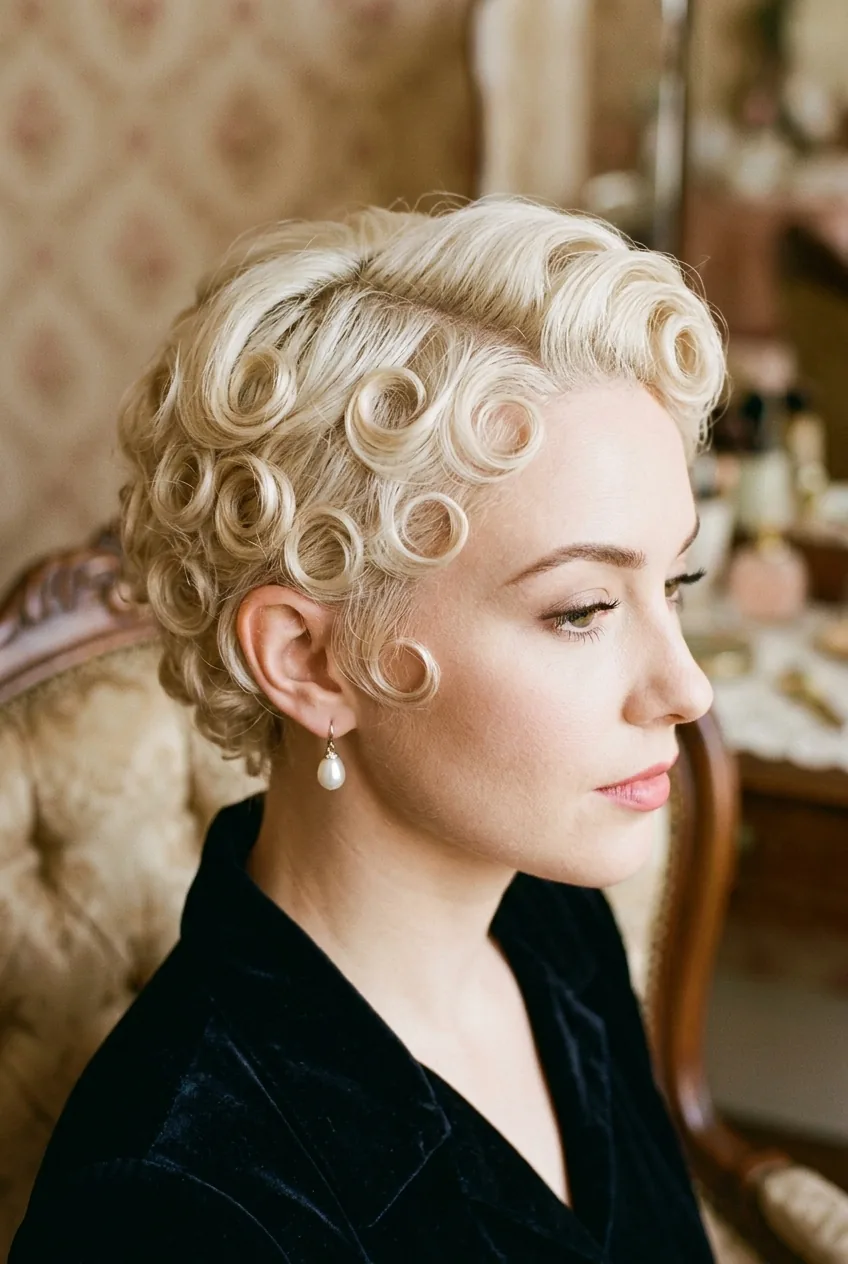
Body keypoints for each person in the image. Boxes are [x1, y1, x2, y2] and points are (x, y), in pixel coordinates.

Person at [10, 196, 724, 1262]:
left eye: (674, 582)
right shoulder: (168, 1202)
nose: (687, 687)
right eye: (579, 609)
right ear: (306, 660)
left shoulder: (549, 927)